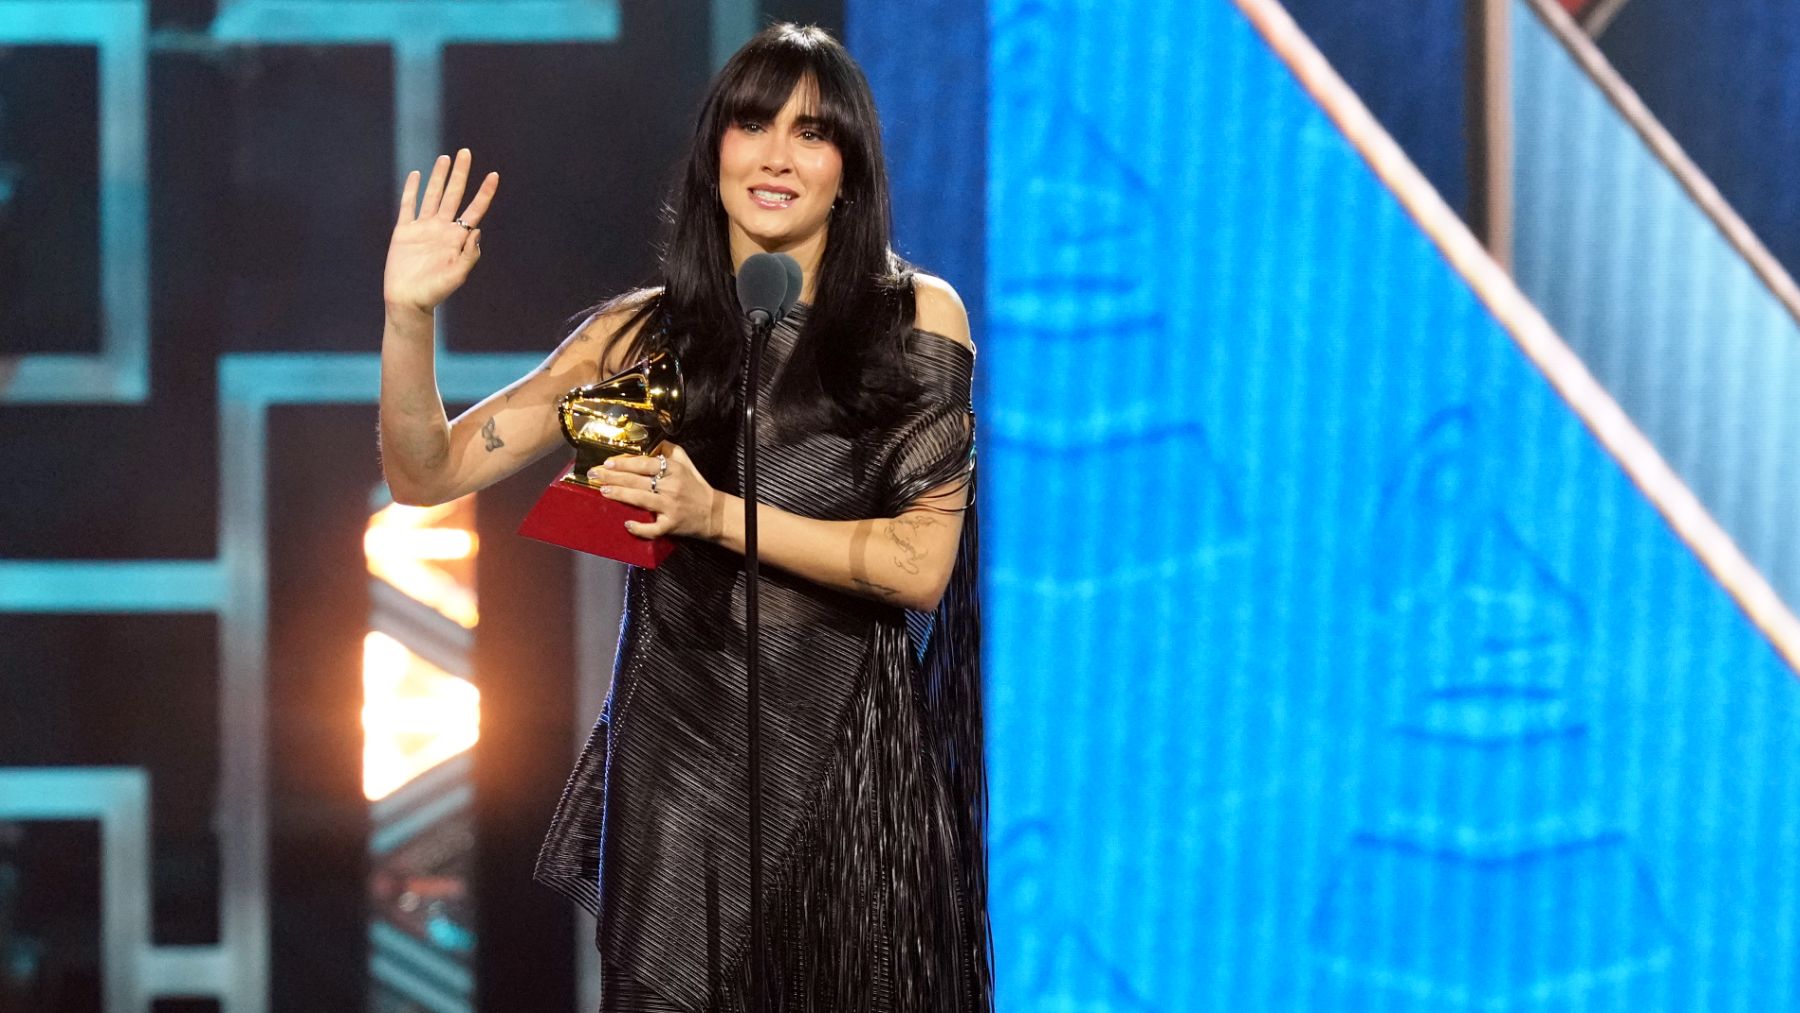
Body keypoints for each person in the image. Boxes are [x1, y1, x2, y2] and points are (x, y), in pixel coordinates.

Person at [376, 23, 991, 1013]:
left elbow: (921, 564)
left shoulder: (914, 320)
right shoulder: (642, 338)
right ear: (716, 150)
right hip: (678, 771)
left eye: (813, 133)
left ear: (851, 170)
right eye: (753, 124)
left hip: (847, 768)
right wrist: (409, 319)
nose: (778, 154)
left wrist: (712, 512)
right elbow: (426, 470)